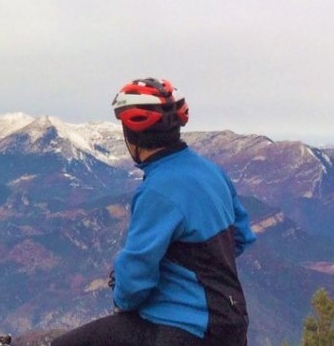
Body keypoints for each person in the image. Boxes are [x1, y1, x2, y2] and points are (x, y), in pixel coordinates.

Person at [53, 78, 256, 346]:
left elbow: (136, 273)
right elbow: (240, 237)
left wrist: (122, 297)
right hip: (231, 323)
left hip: (184, 330)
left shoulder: (157, 191)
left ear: (132, 135)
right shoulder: (212, 171)